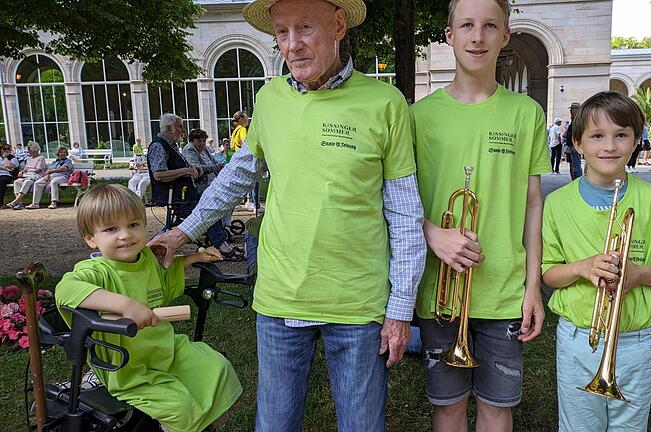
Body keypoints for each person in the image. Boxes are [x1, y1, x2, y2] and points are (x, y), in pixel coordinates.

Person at [148, 0, 426, 430]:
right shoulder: (270, 99)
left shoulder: (385, 103)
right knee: (275, 424)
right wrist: (182, 233)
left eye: (304, 28)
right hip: (280, 299)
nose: (291, 45)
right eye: (281, 32)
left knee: (362, 425)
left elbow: (405, 213)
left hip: (357, 303)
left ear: (337, 26)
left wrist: (400, 310)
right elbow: (235, 178)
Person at [411, 0, 549, 430]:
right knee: (448, 407)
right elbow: (396, 200)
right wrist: (433, 233)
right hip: (441, 293)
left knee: (497, 407)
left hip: (504, 291)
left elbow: (532, 203)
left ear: (505, 36)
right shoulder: (418, 117)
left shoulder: (526, 113)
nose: (477, 36)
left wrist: (533, 286)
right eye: (466, 25)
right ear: (449, 36)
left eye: (490, 26)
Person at [541, 91, 651, 432]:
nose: (609, 146)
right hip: (577, 338)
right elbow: (550, 274)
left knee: (630, 426)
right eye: (597, 136)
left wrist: (639, 274)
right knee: (578, 426)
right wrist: (582, 267)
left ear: (636, 141)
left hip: (635, 342)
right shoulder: (557, 204)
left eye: (621, 134)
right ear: (578, 144)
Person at [55, 184, 242, 432]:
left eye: (133, 225)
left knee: (218, 369)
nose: (125, 235)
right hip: (128, 366)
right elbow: (65, 290)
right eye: (111, 229)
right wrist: (126, 305)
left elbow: (164, 277)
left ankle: (203, 424)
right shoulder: (95, 271)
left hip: (165, 348)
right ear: (91, 239)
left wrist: (195, 258)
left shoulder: (146, 260)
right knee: (180, 406)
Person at [147, 113, 244, 260]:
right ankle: (222, 246)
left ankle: (221, 243)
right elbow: (158, 175)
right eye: (179, 126)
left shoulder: (170, 145)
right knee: (207, 209)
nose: (182, 130)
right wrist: (186, 171)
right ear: (168, 128)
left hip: (185, 192)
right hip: (175, 195)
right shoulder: (159, 145)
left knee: (210, 205)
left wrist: (191, 169)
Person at [7, 141, 46, 210]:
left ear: (34, 149)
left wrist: (29, 170)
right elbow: (25, 169)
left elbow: (38, 170)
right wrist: (21, 172)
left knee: (27, 182)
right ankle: (19, 204)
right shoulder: (29, 158)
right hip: (27, 175)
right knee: (17, 182)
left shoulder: (41, 158)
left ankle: (16, 201)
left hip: (36, 175)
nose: (28, 151)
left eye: (29, 149)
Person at [563, 102, 583, 179]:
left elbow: (578, 132)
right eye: (571, 109)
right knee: (572, 164)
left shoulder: (578, 120)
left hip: (574, 145)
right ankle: (574, 180)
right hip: (570, 145)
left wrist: (576, 145)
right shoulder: (574, 119)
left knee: (576, 165)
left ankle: (577, 180)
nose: (570, 111)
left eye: (572, 109)